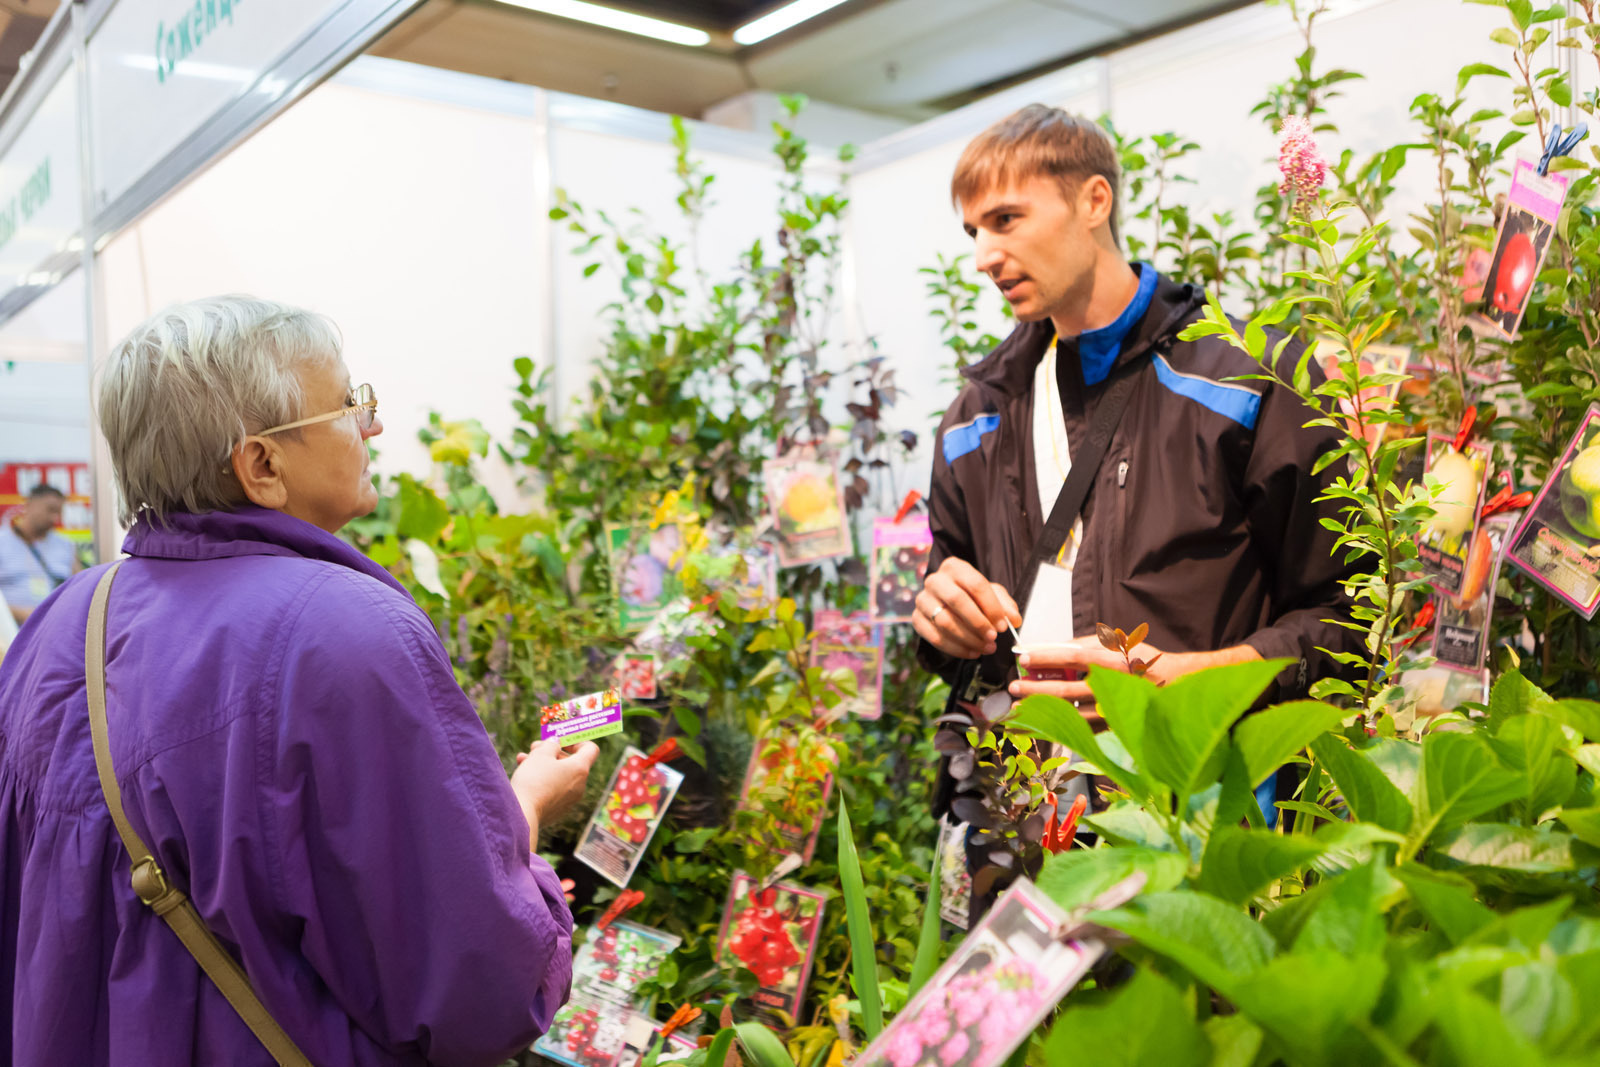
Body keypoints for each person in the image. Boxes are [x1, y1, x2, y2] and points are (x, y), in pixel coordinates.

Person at [0, 296, 597, 1067]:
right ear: (263, 465)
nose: (372, 426)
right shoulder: (345, 633)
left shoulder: (63, 621)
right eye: (351, 404)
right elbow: (469, 985)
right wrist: (525, 807)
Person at [915, 107, 1358, 817]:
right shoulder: (978, 416)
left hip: (1200, 825)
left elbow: (1353, 617)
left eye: (1005, 220)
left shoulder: (1250, 381)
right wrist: (939, 616)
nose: (983, 256)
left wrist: (1192, 679)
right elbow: (950, 585)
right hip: (1021, 828)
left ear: (1094, 201)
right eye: (974, 231)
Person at [0, 483, 81, 624]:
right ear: (29, 505)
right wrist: (23, 614)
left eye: (59, 512)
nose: (54, 518)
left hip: (53, 629)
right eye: (50, 510)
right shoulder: (3, 542)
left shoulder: (65, 545)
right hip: (8, 633)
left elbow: (80, 588)